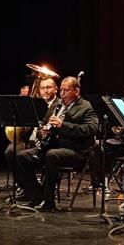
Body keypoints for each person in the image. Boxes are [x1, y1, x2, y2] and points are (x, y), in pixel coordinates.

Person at [16, 76, 98, 211]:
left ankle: (49, 202)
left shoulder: (85, 106)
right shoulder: (57, 105)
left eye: (66, 90)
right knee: (22, 156)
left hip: (76, 150)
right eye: (61, 90)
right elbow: (45, 124)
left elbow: (91, 129)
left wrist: (63, 125)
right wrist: (42, 132)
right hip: (53, 146)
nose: (62, 94)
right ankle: (37, 196)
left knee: (51, 155)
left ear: (76, 91)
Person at [4, 78, 59, 195]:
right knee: (10, 151)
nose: (46, 91)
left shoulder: (59, 105)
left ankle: (34, 192)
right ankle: (28, 188)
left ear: (56, 89)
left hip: (46, 142)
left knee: (22, 155)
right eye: (43, 88)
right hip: (30, 140)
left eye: (49, 88)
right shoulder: (34, 103)